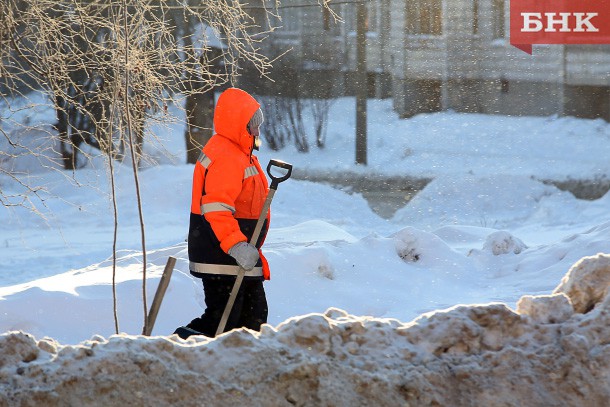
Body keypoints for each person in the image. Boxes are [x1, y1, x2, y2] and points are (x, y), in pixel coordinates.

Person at [175, 87, 270, 339]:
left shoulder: (241, 153)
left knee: (254, 317)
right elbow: (216, 208)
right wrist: (237, 245)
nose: (257, 132)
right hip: (222, 251)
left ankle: (241, 366)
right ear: (238, 125)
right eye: (253, 126)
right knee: (224, 321)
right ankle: (177, 348)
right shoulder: (226, 155)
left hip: (240, 252)